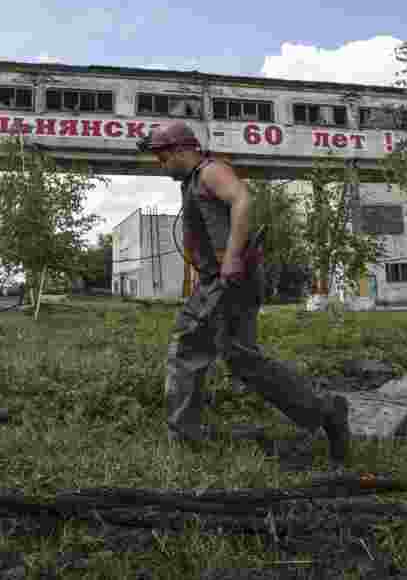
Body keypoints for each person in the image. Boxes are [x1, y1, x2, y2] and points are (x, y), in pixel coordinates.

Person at [137, 121, 351, 467]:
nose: (161, 167)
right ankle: (325, 410)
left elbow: (241, 199)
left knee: (201, 352)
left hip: (230, 279)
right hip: (218, 280)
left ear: (180, 150)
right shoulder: (193, 179)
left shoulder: (210, 170)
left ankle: (187, 441)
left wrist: (233, 257)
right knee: (233, 359)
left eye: (163, 159)